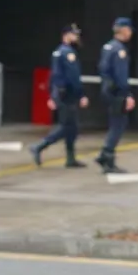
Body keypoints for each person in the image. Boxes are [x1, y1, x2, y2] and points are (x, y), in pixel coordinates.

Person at [30, 24, 89, 168]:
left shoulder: (57, 52)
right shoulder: (68, 53)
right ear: (66, 35)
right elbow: (73, 77)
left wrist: (51, 94)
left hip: (60, 93)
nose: (76, 37)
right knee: (67, 127)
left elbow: (53, 75)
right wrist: (81, 94)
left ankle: (70, 158)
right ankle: (39, 146)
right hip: (68, 94)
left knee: (72, 127)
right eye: (74, 34)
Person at [96, 17, 136, 174]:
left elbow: (102, 69)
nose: (130, 33)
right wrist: (127, 95)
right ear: (124, 30)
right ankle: (106, 157)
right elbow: (121, 76)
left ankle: (105, 157)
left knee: (115, 124)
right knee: (118, 125)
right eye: (129, 30)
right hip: (117, 92)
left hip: (108, 90)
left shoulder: (108, 46)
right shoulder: (119, 50)